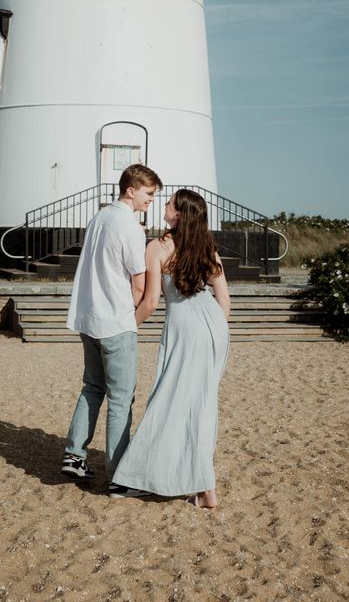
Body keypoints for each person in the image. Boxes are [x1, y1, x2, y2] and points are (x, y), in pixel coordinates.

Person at [111, 189, 231, 507]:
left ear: (178, 214)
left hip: (185, 327)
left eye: (169, 203)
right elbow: (225, 301)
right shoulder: (208, 249)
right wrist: (217, 335)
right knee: (201, 405)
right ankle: (206, 490)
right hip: (214, 326)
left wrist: (126, 327)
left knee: (169, 400)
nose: (164, 205)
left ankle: (148, 476)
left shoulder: (158, 247)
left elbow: (150, 301)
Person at [61, 163, 163, 486]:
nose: (151, 200)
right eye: (148, 194)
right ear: (131, 190)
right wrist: (133, 319)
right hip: (116, 322)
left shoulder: (98, 218)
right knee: (121, 398)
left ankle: (74, 454)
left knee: (92, 387)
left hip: (88, 319)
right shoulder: (131, 228)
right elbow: (137, 284)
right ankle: (118, 472)